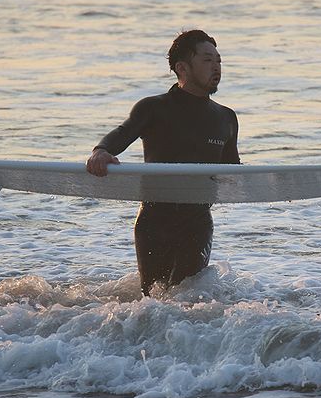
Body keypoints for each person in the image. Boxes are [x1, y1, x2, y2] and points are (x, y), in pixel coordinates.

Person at [86, 30, 240, 296]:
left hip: (197, 222)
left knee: (186, 299)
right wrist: (101, 151)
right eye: (207, 60)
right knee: (151, 301)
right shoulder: (154, 108)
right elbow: (122, 134)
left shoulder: (226, 118)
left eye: (218, 60)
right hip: (154, 221)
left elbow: (231, 172)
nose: (216, 67)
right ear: (182, 68)